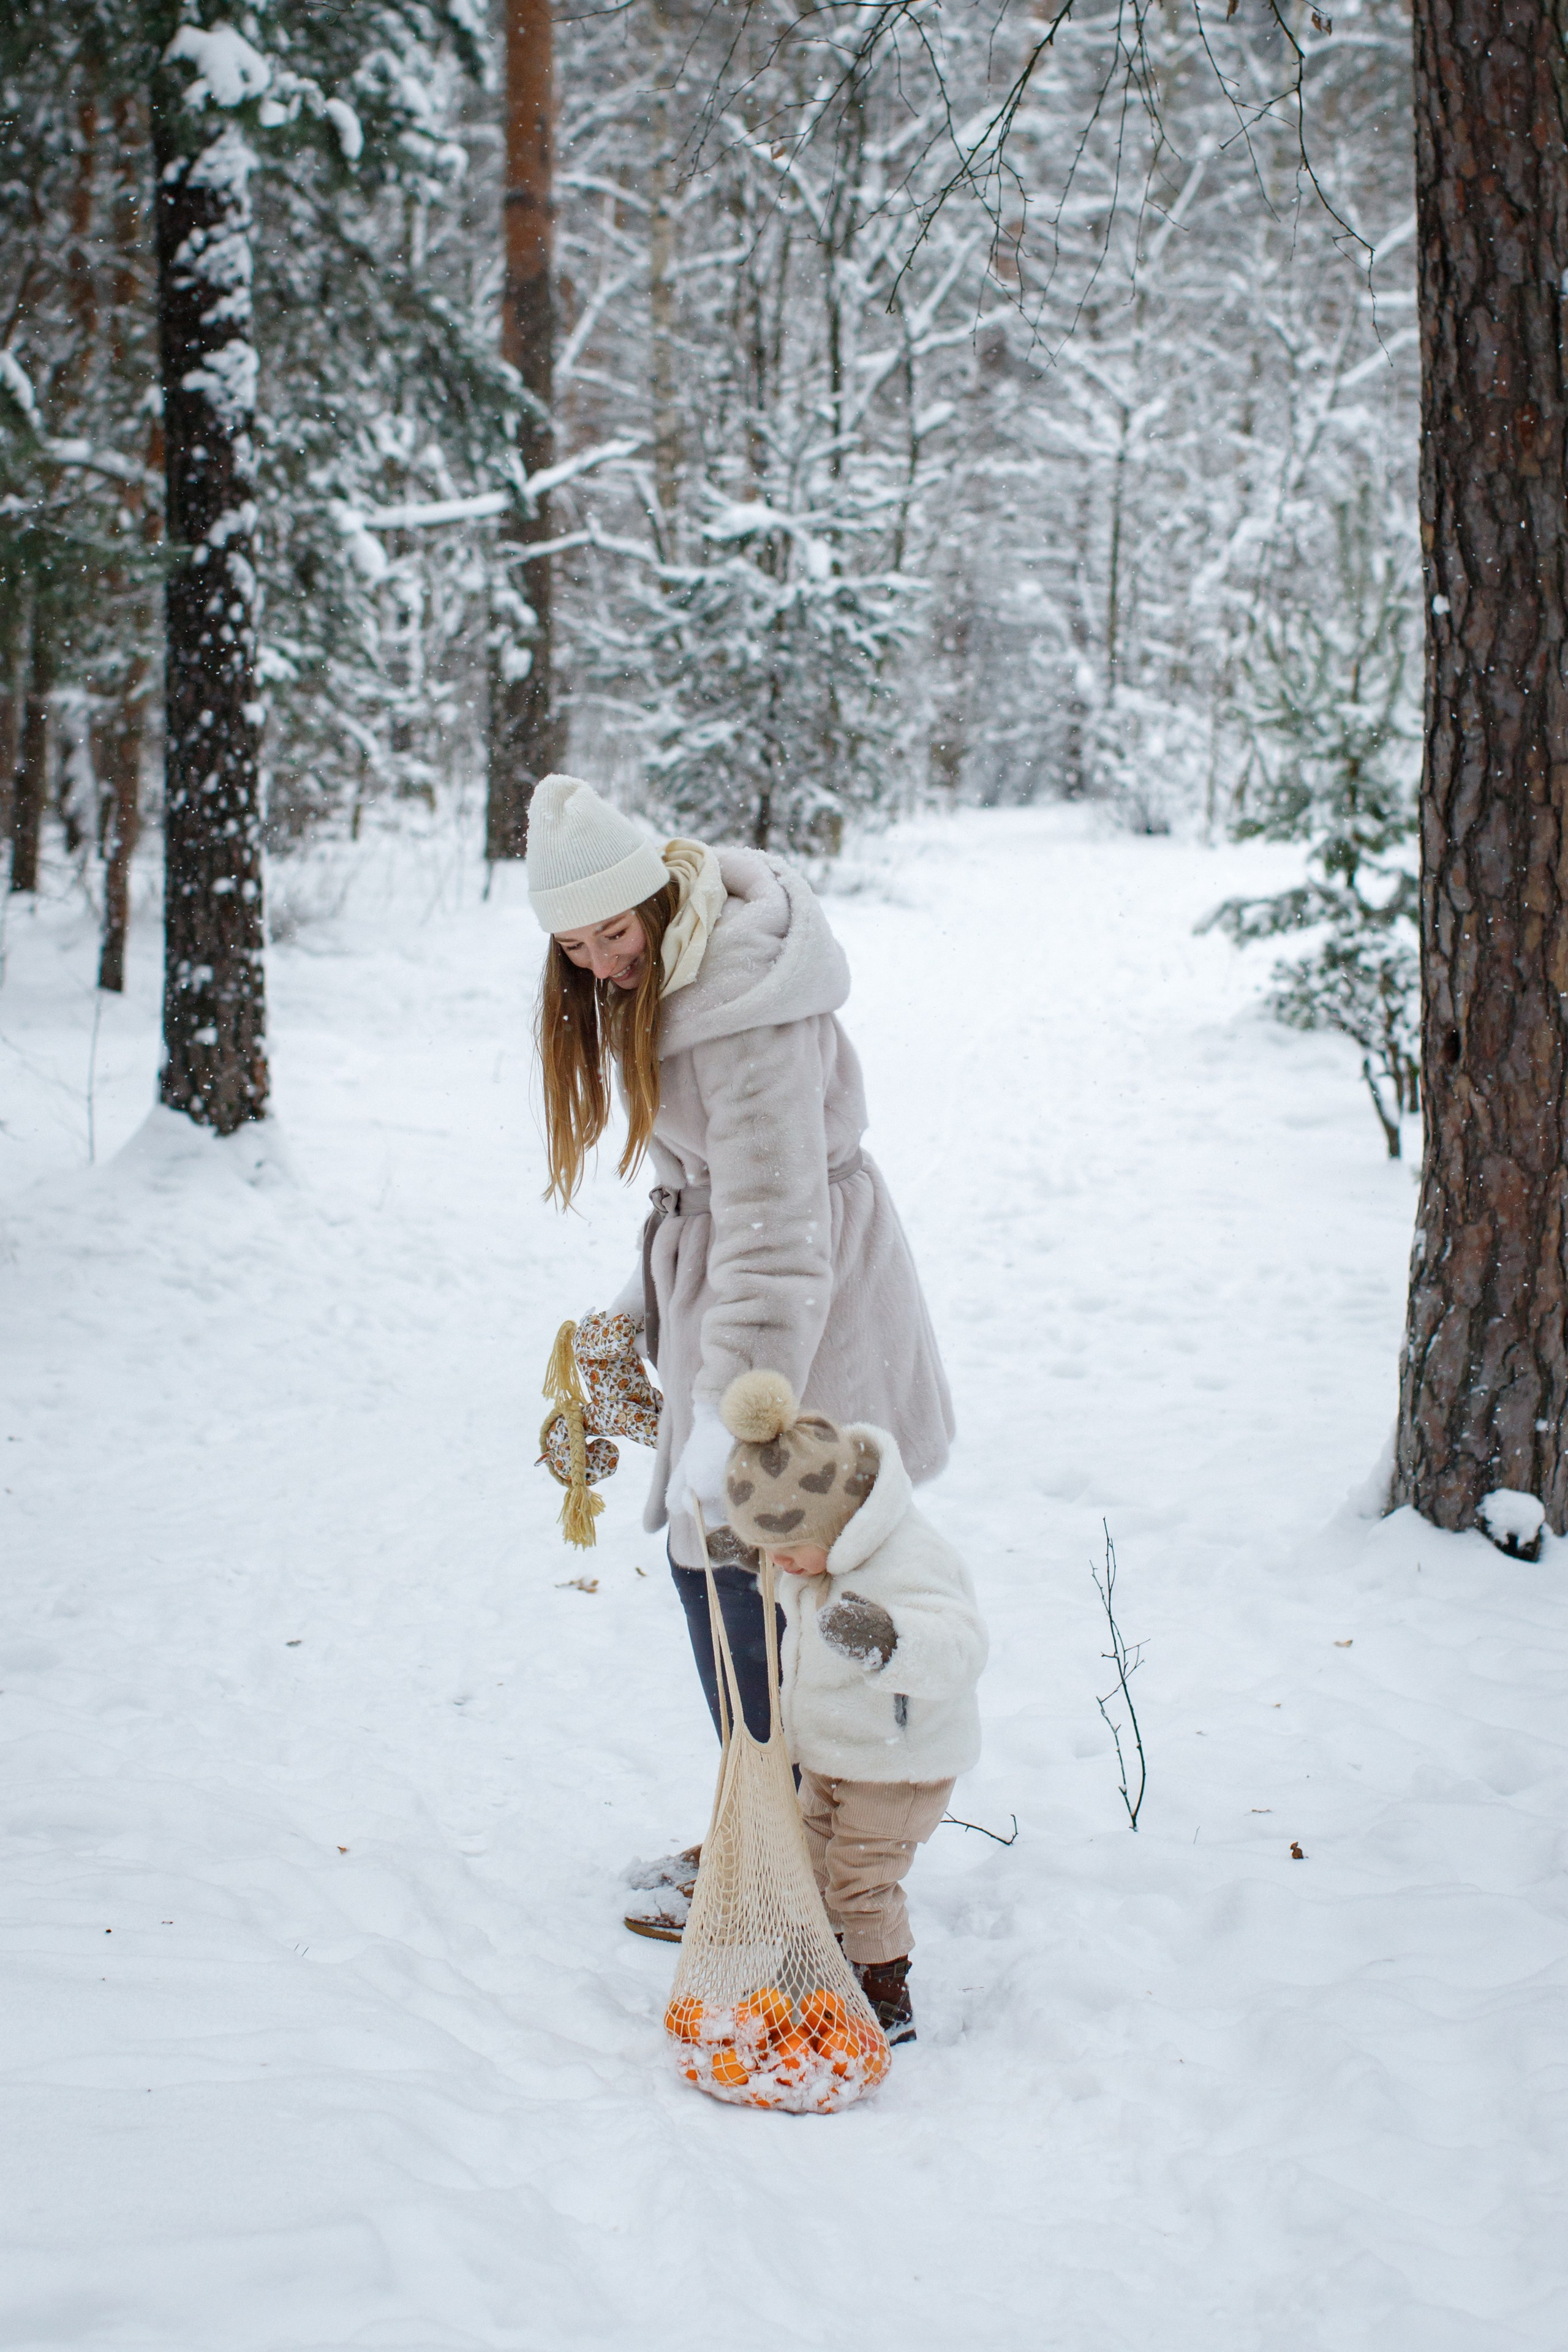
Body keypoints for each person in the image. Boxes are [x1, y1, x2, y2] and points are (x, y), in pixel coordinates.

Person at [526, 775, 955, 1925]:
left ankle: (795, 1869)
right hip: (755, 1308)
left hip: (808, 1327)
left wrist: (728, 1419)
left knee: (748, 1585)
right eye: (574, 947)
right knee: (741, 1593)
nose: (601, 962)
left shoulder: (743, 1001)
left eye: (614, 931)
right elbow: (706, 1201)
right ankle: (766, 1838)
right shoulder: (671, 971)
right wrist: (633, 1318)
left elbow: (772, 1229)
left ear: (658, 897)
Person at [714, 1368, 987, 2044]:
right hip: (837, 1751)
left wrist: (891, 1642)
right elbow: (798, 1578)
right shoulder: (822, 1548)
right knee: (810, 1862)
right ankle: (822, 1968)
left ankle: (884, 1995)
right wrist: (759, 1556)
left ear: (836, 1521)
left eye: (785, 1547)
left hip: (901, 1762)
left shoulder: (907, 1557)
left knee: (860, 1880)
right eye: (766, 1548)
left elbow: (962, 1647)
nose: (780, 1563)